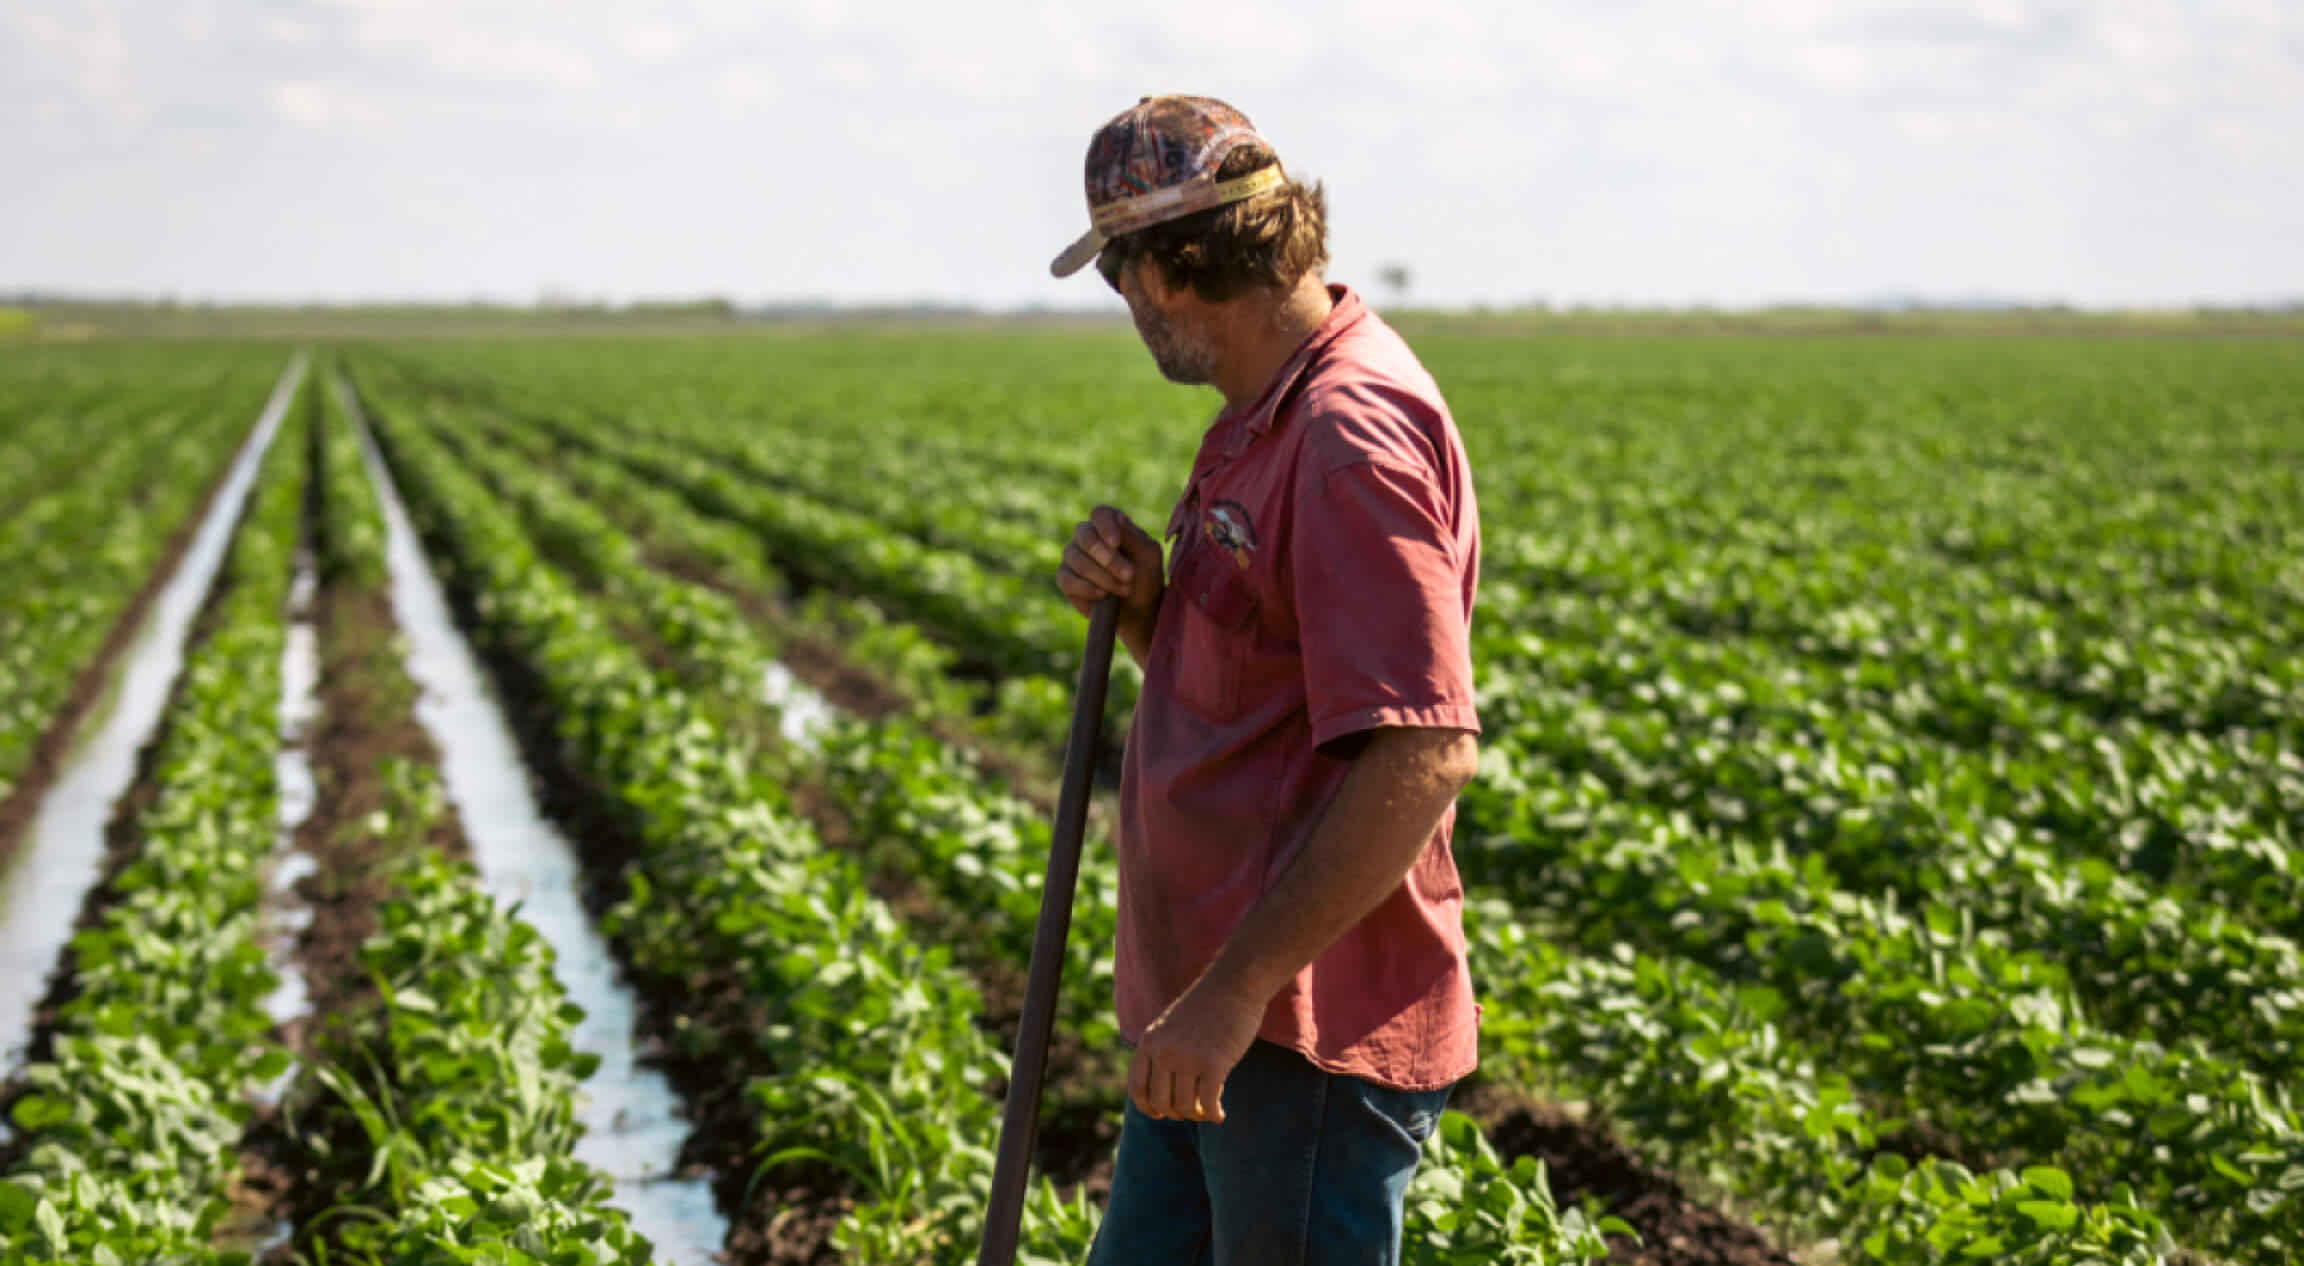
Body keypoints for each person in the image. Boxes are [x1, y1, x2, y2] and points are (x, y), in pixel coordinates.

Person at [1049, 95, 1483, 1266]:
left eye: (1120, 275)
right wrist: (1148, 605)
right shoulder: (1263, 412)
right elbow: (1265, 693)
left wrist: (1237, 994)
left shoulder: (1348, 434)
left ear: (1176, 268)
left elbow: (1423, 750)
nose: (1128, 310)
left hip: (1293, 1031)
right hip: (1211, 1019)